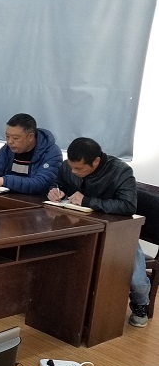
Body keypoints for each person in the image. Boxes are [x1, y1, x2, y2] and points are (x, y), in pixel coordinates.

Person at [47, 137, 151, 328]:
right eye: (71, 167)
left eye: (79, 169)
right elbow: (58, 182)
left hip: (118, 233)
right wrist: (55, 191)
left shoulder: (120, 171)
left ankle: (141, 304)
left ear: (96, 161)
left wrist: (87, 201)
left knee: (136, 279)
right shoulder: (69, 166)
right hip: (78, 227)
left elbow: (128, 206)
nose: (73, 172)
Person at [0, 113, 61, 194]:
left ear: (30, 137)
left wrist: (4, 181)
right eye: (7, 136)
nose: (10, 142)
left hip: (34, 204)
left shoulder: (51, 152)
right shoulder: (7, 149)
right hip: (7, 199)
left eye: (15, 138)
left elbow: (41, 183)